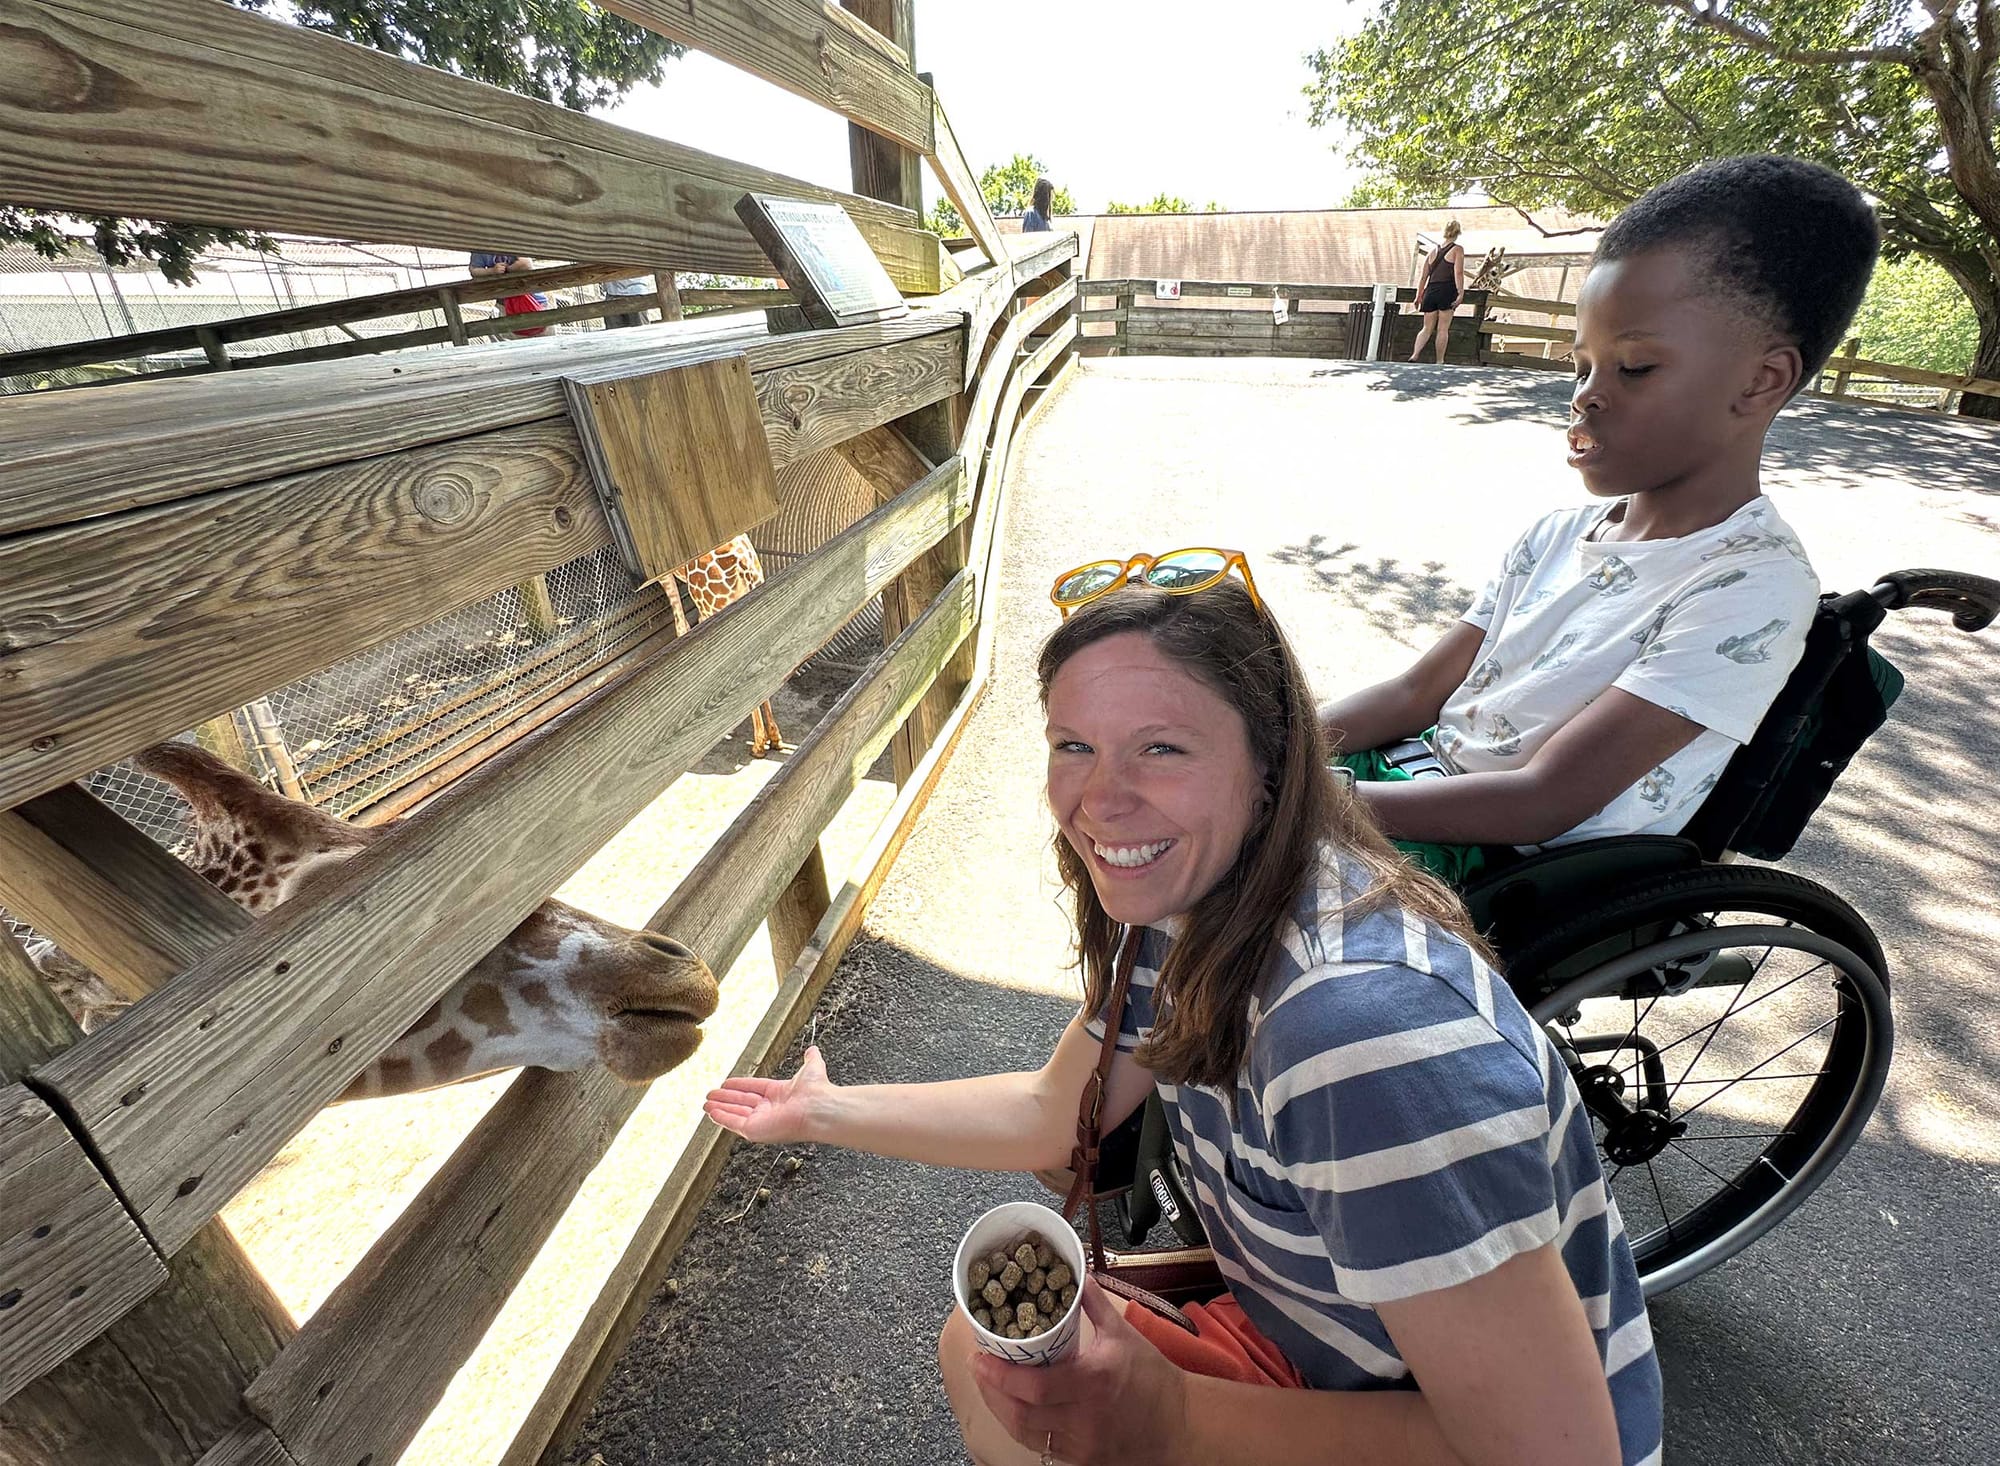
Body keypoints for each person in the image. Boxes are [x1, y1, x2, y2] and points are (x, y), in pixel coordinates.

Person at [705, 555, 1663, 1466]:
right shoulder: (1191, 904)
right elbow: (1053, 1115)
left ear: (1274, 761)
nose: (1101, 799)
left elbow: (1561, 1453)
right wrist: (825, 1113)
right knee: (987, 1361)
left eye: (1160, 748)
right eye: (1074, 746)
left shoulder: (1366, 1041)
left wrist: (1167, 1420)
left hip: (1434, 1416)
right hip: (1318, 1341)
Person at [1325, 156, 1882, 885]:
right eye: (1581, 366)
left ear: (1761, 380)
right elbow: (1412, 696)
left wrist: (1310, 802)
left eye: (1635, 369)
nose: (1586, 396)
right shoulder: (1553, 538)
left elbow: (1542, 801)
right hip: (1407, 784)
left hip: (1497, 864)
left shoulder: (1749, 588)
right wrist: (1271, 749)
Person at [1407, 219, 1464, 363]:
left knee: (1426, 328)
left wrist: (1418, 295)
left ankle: (1415, 354)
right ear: (1458, 233)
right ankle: (1439, 361)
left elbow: (1423, 277)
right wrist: (1460, 292)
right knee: (1443, 329)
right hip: (1447, 290)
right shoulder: (1457, 250)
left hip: (1431, 291)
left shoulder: (1432, 252)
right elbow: (1458, 273)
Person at [467, 251, 550, 337]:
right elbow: (474, 271)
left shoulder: (512, 241)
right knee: (513, 340)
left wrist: (508, 269)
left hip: (534, 300)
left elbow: (526, 264)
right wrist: (492, 271)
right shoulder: (481, 248)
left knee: (545, 336)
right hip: (506, 305)